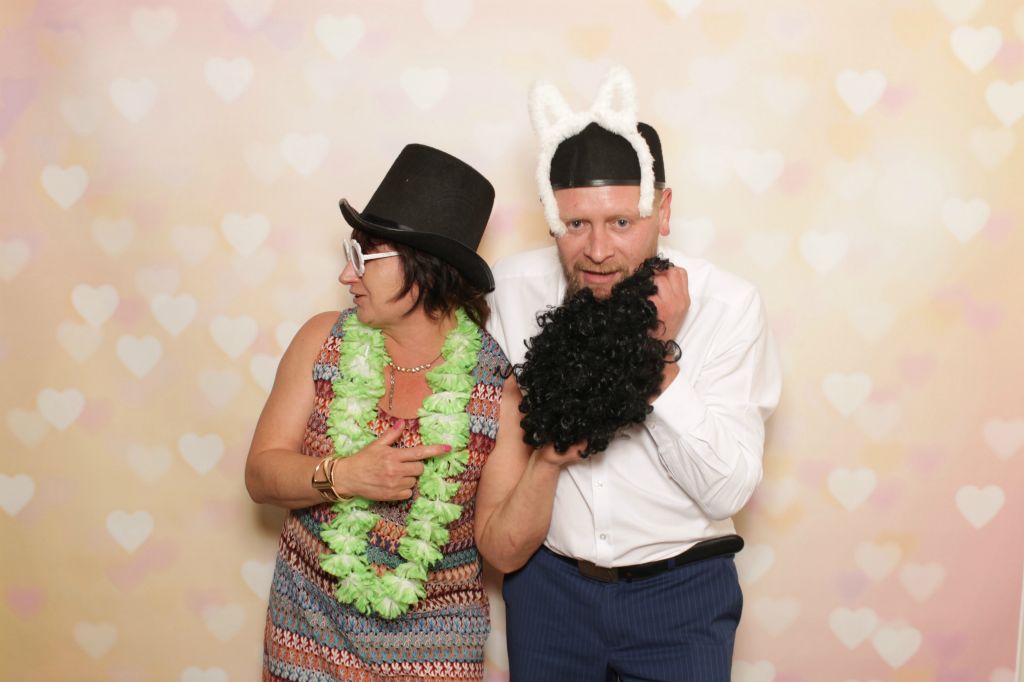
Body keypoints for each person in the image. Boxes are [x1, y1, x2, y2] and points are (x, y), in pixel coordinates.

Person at [474, 68, 782, 680]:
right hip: (549, 590)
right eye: (575, 224)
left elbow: (727, 492)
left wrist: (657, 357)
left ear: (662, 210)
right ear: (549, 215)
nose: (597, 251)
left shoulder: (729, 305)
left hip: (682, 593)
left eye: (621, 222)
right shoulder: (510, 291)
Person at [245, 143, 524, 681]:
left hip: (436, 653)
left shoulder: (495, 384)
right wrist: (345, 476)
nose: (346, 276)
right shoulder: (320, 341)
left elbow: (501, 547)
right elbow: (260, 475)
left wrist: (551, 460)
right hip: (306, 637)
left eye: (363, 259)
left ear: (427, 269)